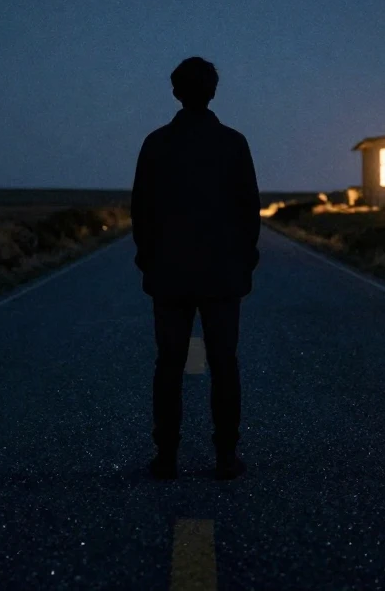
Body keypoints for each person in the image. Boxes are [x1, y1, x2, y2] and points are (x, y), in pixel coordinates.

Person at [130, 56, 261, 480]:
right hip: (222, 274)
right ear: (214, 91)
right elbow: (249, 211)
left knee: (169, 364)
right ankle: (225, 455)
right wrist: (245, 260)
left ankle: (166, 455)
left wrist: (147, 258)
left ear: (175, 91)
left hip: (169, 274)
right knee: (224, 363)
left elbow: (141, 211)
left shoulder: (156, 143)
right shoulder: (233, 143)